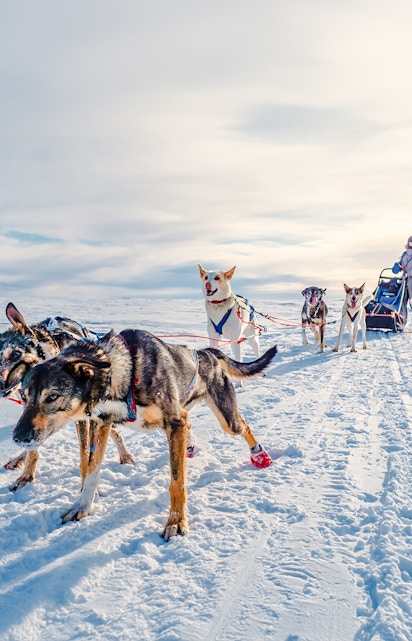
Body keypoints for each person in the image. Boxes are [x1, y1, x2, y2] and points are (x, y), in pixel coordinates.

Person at [393, 235, 412, 302]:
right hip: (404, 279)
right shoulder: (404, 254)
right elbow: (400, 264)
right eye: (411, 242)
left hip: (410, 280)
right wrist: (397, 267)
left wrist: (409, 273)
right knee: (401, 297)